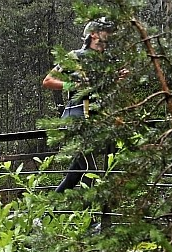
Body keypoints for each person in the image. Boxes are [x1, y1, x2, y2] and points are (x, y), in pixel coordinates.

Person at [42, 17, 121, 193]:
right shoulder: (74, 56)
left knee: (75, 174)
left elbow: (99, 91)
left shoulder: (104, 62)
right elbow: (47, 81)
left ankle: (47, 215)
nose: (109, 35)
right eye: (104, 31)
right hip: (75, 120)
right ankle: (92, 219)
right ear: (93, 34)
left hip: (95, 122)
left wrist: (115, 79)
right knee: (91, 171)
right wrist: (71, 85)